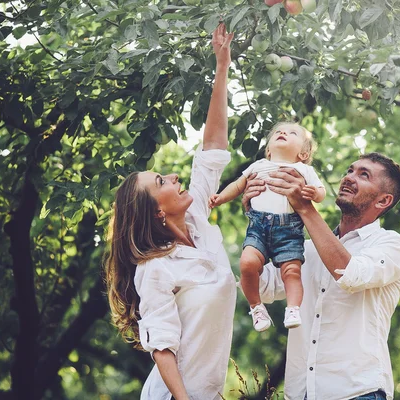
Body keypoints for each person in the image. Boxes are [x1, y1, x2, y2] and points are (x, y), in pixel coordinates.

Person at [103, 24, 235, 400]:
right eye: (162, 181)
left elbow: (211, 147)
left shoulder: (199, 226)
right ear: (157, 213)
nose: (175, 176)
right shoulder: (155, 268)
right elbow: (162, 345)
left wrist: (221, 67)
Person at [242, 152, 400, 400]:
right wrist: (258, 219)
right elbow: (262, 286)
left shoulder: (391, 245)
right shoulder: (306, 249)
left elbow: (350, 275)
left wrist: (304, 207)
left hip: (358, 392)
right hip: (301, 394)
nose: (349, 177)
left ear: (383, 201)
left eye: (363, 175)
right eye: (350, 170)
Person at [208, 123, 326, 331]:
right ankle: (256, 307)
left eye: (293, 133)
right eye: (278, 132)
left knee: (291, 272)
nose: (283, 133)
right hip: (258, 227)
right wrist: (220, 197)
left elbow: (321, 191)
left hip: (288, 230)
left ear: (304, 153)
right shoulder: (258, 166)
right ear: (269, 150)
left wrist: (314, 193)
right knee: (247, 264)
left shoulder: (304, 170)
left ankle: (293, 308)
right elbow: (238, 185)